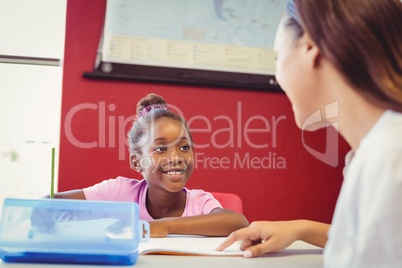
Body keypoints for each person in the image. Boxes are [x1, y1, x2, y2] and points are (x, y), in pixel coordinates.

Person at [216, 0, 402, 267]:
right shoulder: (376, 151)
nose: (277, 76)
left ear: (311, 47)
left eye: (278, 57)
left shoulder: (389, 158)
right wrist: (301, 229)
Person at [49, 93, 249, 237]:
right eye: (161, 149)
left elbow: (238, 222)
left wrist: (164, 226)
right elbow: (51, 203)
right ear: (137, 162)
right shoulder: (119, 191)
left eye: (184, 147)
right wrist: (44, 210)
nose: (176, 157)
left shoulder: (199, 202)